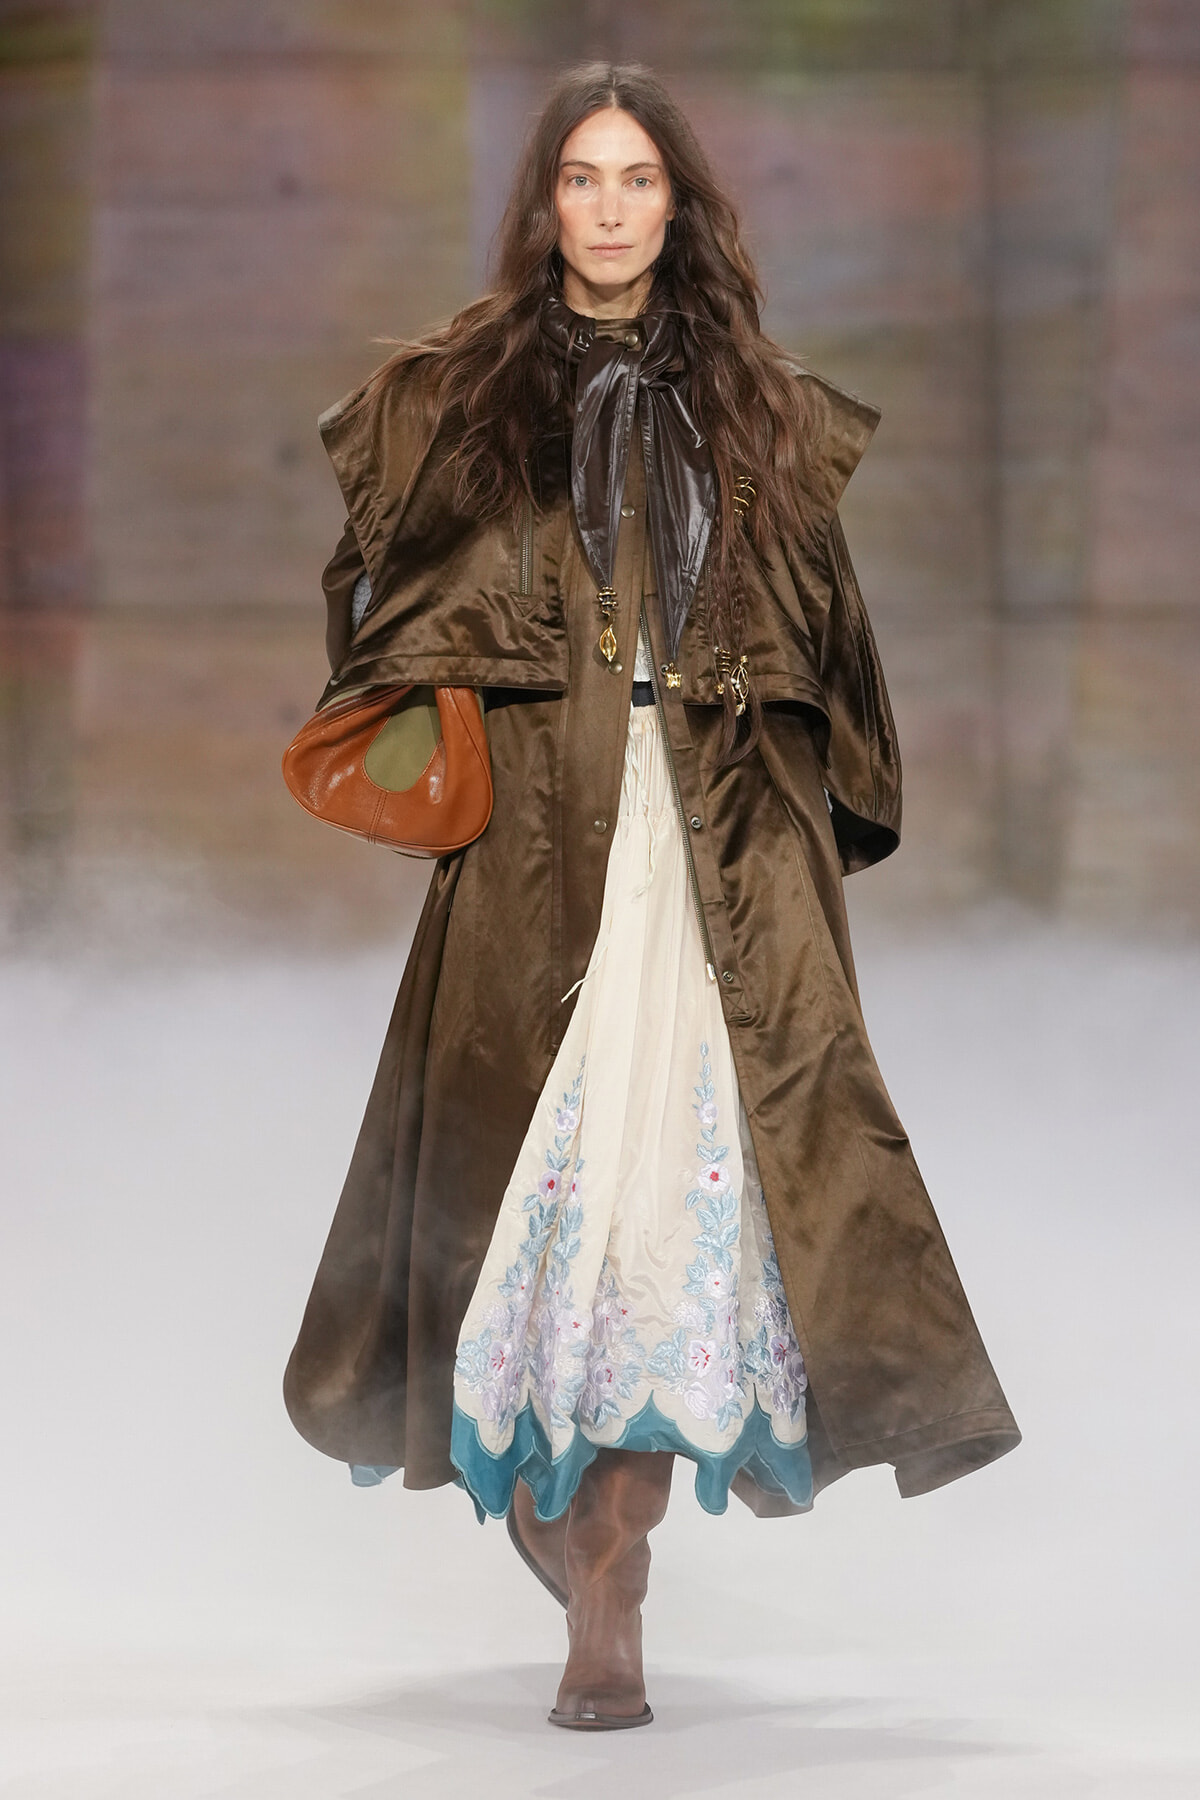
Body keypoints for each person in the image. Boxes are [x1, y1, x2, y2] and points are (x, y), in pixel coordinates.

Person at [284, 62, 1020, 1732]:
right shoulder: (454, 398)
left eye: (638, 181)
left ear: (679, 206)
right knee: (532, 1195)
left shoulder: (762, 407)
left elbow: (833, 641)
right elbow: (378, 607)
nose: (610, 209)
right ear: (545, 203)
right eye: (582, 179)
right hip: (540, 853)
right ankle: (563, 1516)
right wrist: (452, 708)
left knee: (680, 1208)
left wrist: (818, 821)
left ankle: (610, 1578)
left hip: (718, 859)